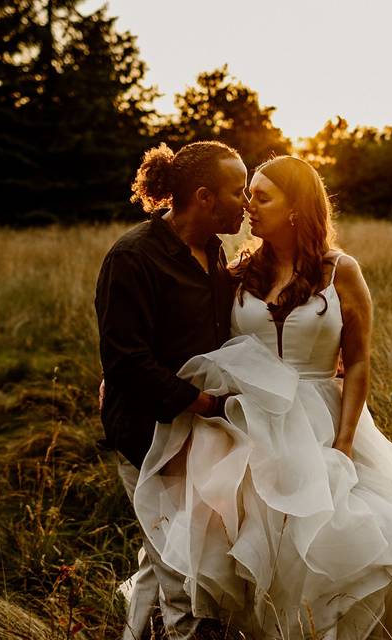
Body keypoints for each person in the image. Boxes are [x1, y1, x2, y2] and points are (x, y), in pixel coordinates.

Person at [132, 156, 392, 639]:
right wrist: (121, 372)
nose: (248, 206)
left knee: (336, 550)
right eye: (247, 195)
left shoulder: (341, 272)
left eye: (261, 197)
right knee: (239, 553)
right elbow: (189, 333)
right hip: (245, 424)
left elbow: (359, 362)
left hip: (320, 423)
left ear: (296, 208)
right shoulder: (238, 271)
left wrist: (345, 444)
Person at [94, 140, 248, 639]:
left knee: (161, 556)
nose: (245, 202)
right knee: (183, 578)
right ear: (204, 197)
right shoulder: (133, 257)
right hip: (147, 436)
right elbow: (125, 359)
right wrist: (201, 402)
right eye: (237, 190)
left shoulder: (214, 252)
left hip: (198, 439)